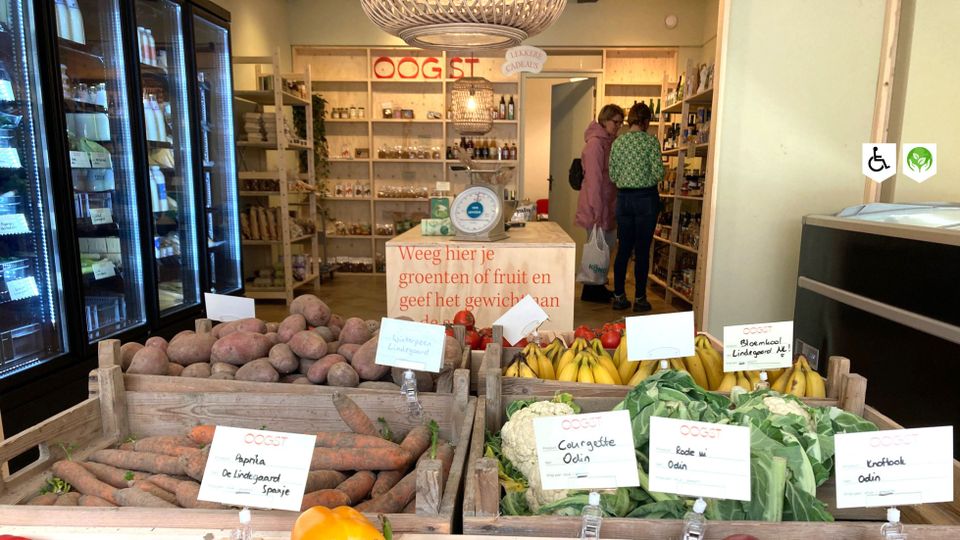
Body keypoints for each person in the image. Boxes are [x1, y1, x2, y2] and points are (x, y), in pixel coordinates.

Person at [608, 102, 664, 311]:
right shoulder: (651, 142)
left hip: (623, 200)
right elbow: (659, 174)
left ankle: (619, 296)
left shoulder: (618, 143)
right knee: (642, 251)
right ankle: (640, 299)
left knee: (623, 249)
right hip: (646, 200)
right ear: (646, 121)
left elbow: (613, 175)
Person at [575, 104, 624, 303]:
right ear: (604, 120)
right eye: (616, 122)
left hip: (606, 201)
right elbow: (594, 179)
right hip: (598, 203)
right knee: (598, 246)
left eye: (621, 122)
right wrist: (597, 209)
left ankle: (596, 286)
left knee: (603, 246)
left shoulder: (608, 141)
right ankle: (592, 289)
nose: (619, 126)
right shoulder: (596, 143)